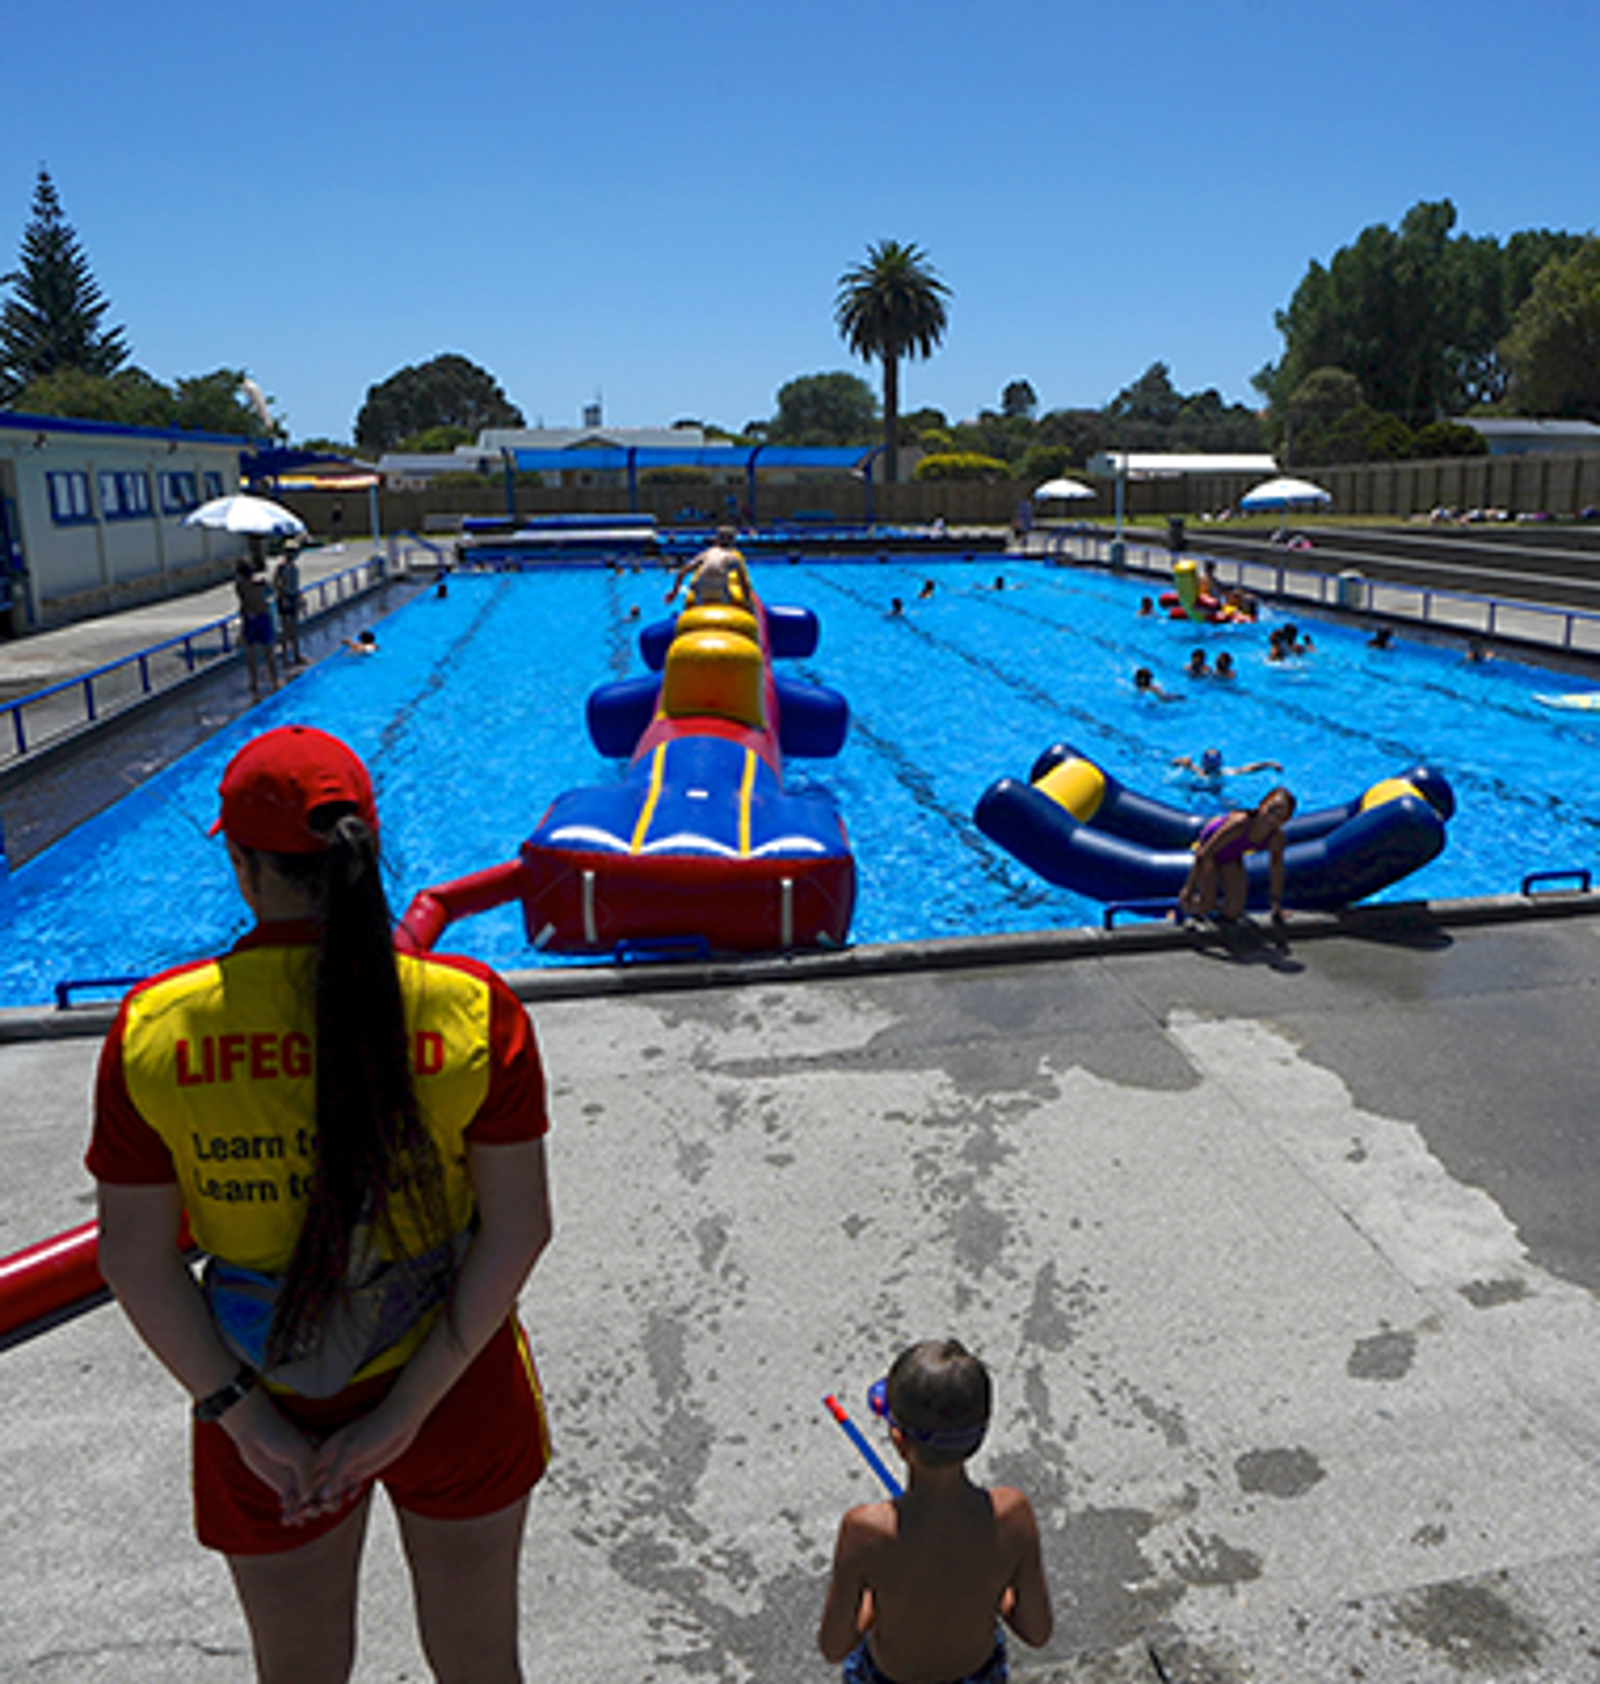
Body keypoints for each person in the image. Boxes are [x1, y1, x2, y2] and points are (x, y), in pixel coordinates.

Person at [87, 726, 553, 1683]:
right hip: (455, 1382)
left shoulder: (156, 1028)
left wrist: (243, 1418)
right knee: (481, 1666)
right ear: (365, 853)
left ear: (242, 865)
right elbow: (518, 1228)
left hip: (266, 1396)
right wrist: (406, 1413)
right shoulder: (469, 1008)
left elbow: (133, 1257)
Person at [818, 1339, 1053, 1684]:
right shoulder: (1012, 1514)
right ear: (979, 1437)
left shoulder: (866, 1530)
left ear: (899, 1441)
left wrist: (879, 1598)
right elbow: (1037, 1631)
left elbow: (834, 1646)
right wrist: (986, 1585)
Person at [1178, 785, 1296, 924]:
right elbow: (1204, 854)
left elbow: (1276, 870)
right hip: (1209, 852)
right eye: (1271, 810)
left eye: (1279, 816)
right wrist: (1189, 889)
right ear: (1261, 805)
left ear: (1284, 821)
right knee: (1206, 903)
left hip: (1230, 856)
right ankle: (1183, 907)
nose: (1271, 818)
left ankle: (1210, 910)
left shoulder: (1276, 838)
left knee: (1234, 911)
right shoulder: (1240, 824)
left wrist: (1276, 905)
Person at [665, 525, 751, 606]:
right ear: (733, 541)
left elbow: (683, 572)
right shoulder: (733, 557)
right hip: (721, 597)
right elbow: (744, 582)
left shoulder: (706, 554)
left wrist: (674, 593)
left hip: (700, 597)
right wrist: (748, 602)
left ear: (716, 540)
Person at [234, 555, 279, 697]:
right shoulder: (260, 583)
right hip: (262, 617)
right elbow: (272, 592)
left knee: (251, 652)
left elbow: (243, 603)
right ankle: (274, 678)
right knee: (268, 650)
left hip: (249, 618)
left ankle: (254, 681)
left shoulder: (240, 586)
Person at [273, 544, 303, 668]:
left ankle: (296, 655)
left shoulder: (294, 566)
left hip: (293, 597)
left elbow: (295, 584)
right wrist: (282, 596)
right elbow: (275, 583)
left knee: (294, 628)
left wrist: (300, 596)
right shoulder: (282, 567)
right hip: (285, 599)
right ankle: (285, 658)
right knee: (286, 630)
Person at [1172, 748, 1282, 782]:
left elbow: (1250, 769)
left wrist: (1269, 764)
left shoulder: (1197, 771)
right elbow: (1249, 769)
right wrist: (1269, 764)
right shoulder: (1227, 773)